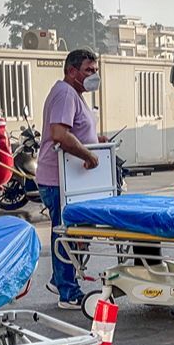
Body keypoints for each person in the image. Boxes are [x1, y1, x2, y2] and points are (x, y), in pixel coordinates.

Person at [36, 49, 106, 309]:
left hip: (73, 180)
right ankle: (68, 292)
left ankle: (59, 279)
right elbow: (60, 135)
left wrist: (95, 142)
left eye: (95, 70)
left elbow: (75, 130)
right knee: (66, 234)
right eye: (89, 70)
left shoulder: (75, 95)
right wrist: (89, 154)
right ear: (71, 71)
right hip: (60, 180)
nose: (93, 75)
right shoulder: (65, 94)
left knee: (71, 232)